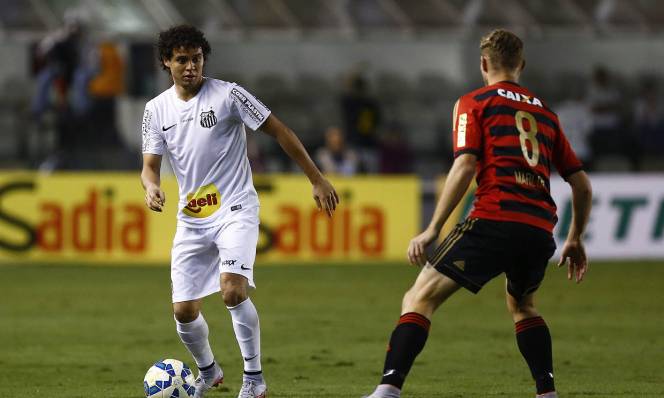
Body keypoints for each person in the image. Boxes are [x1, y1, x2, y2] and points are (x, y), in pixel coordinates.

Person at [363, 29, 592, 398]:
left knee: (419, 298)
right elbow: (581, 185)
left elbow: (466, 165)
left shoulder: (473, 102)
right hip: (537, 229)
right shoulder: (546, 113)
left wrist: (432, 228)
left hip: (494, 217)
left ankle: (388, 390)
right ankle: (547, 393)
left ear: (483, 64)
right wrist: (575, 238)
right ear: (522, 65)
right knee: (523, 305)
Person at [140, 25, 339, 398]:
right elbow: (150, 166)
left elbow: (280, 131)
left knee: (232, 291)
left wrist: (316, 178)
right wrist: (152, 187)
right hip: (191, 218)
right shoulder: (155, 109)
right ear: (166, 62)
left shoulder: (229, 95)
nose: (190, 67)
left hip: (235, 209)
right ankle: (209, 370)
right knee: (183, 311)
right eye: (181, 59)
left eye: (196, 59)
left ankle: (254, 380)